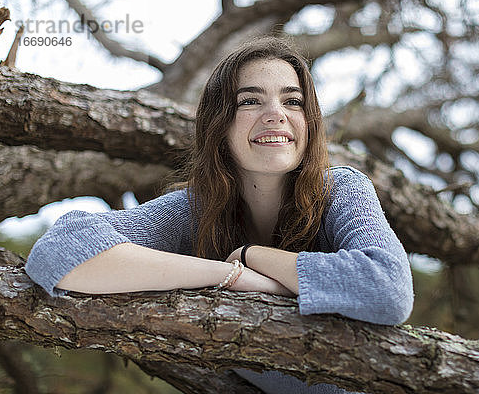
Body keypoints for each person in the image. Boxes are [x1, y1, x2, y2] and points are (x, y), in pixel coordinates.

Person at [25, 36, 414, 394]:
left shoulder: (341, 190)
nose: (276, 114)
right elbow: (59, 251)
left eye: (292, 101)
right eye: (250, 101)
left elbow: (389, 288)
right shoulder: (192, 210)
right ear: (220, 124)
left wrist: (253, 256)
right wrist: (230, 276)